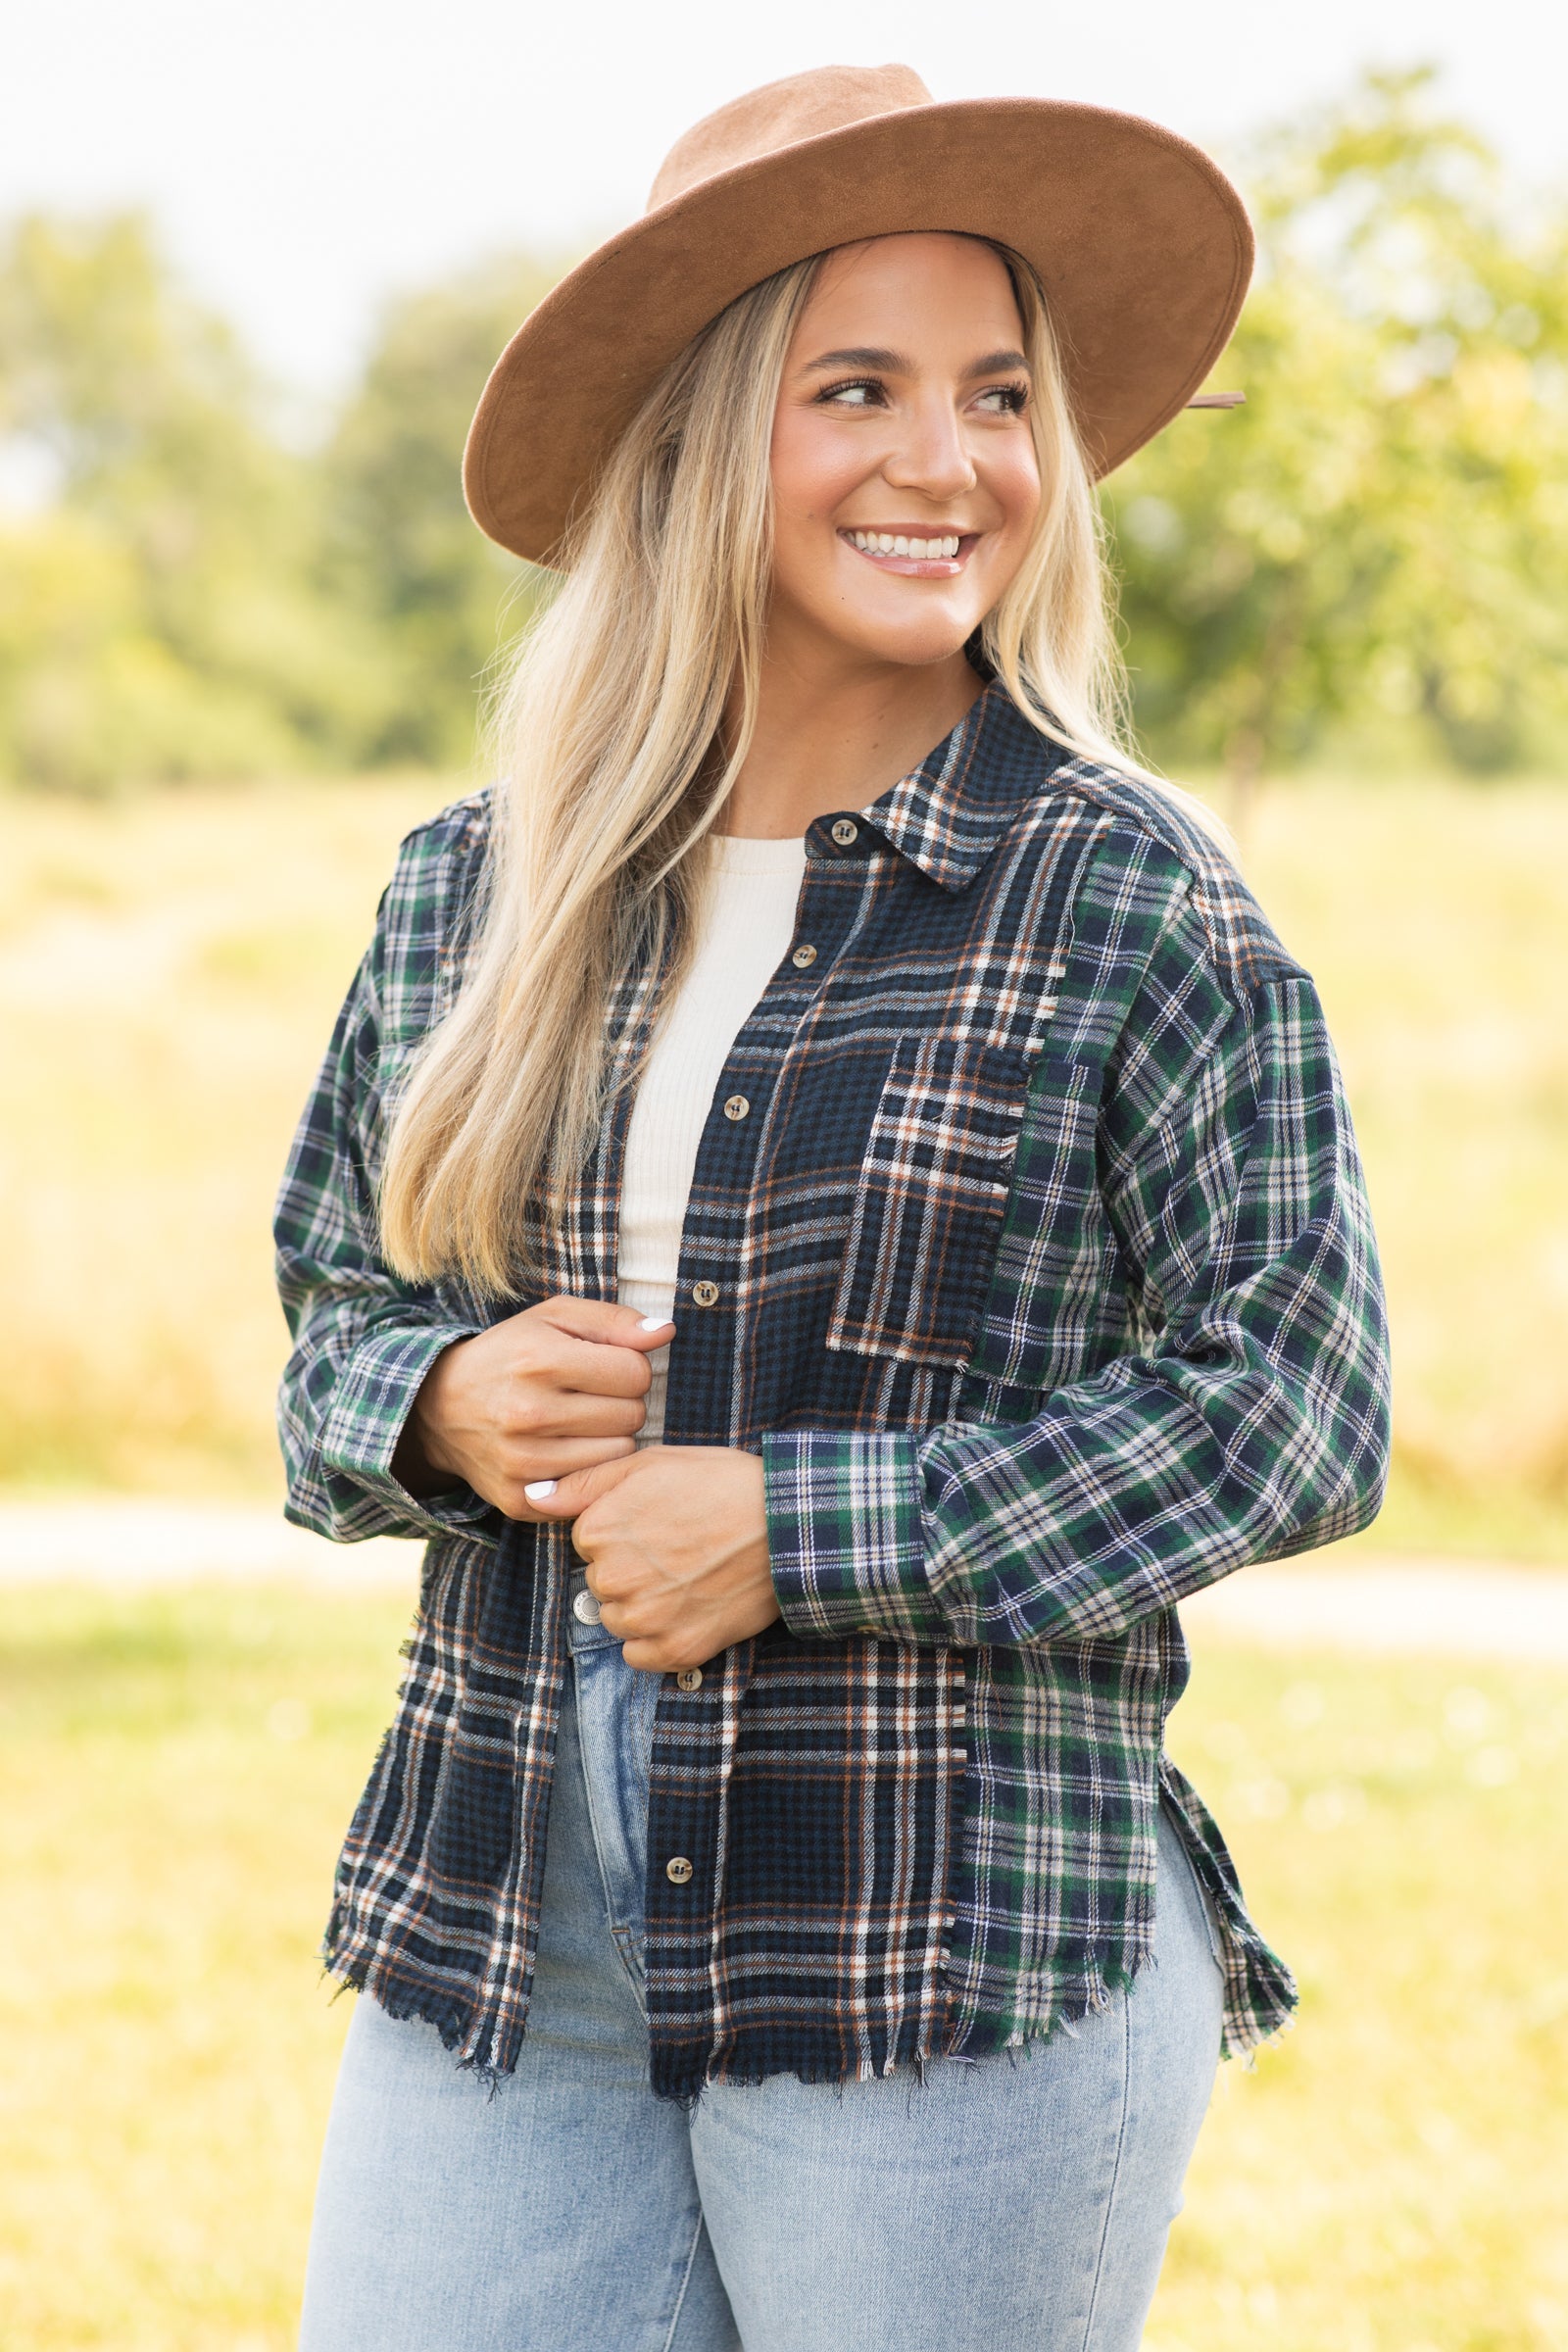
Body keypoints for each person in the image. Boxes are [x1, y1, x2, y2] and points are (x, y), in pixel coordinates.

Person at [277, 64, 1390, 2352]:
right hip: (504, 1919)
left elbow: (1295, 1403)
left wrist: (801, 1522)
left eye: (995, 394)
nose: (945, 460)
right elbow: (323, 1316)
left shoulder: (1130, 905)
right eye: (852, 387)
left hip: (942, 1940)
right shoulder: (480, 895)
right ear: (700, 441)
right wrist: (439, 1400)